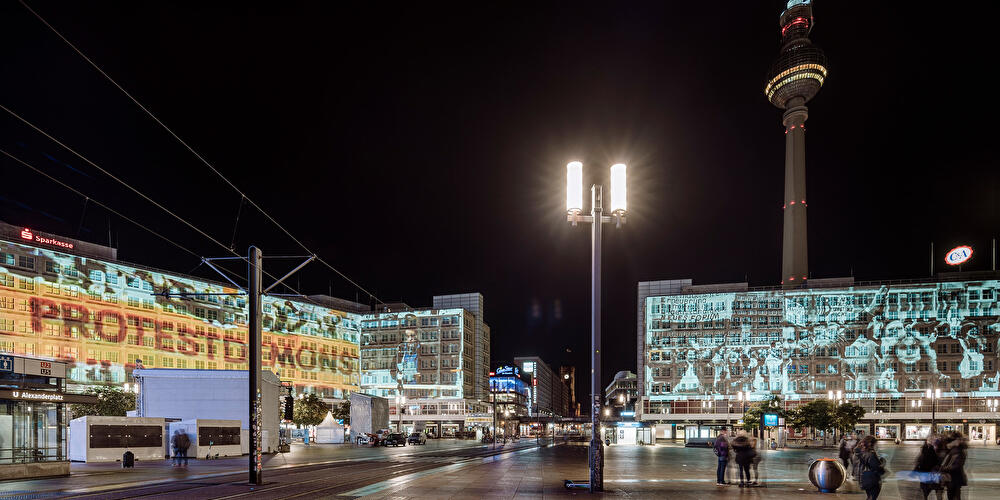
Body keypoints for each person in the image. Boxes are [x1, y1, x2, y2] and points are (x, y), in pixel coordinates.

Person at [939, 431, 968, 500]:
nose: (948, 443)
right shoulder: (953, 450)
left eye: (951, 441)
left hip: (954, 478)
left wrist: (944, 468)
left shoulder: (957, 451)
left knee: (954, 496)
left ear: (956, 441)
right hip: (952, 478)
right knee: (952, 495)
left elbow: (957, 465)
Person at [856, 436, 886, 500]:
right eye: (876, 444)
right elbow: (876, 467)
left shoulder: (862, 452)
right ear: (870, 444)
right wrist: (883, 463)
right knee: (872, 497)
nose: (877, 446)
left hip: (864, 478)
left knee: (869, 496)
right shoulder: (871, 454)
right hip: (872, 480)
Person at [915, 436, 944, 500]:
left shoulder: (928, 451)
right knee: (935, 491)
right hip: (932, 475)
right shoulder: (930, 451)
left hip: (929, 475)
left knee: (927, 492)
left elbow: (920, 463)